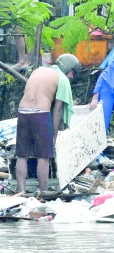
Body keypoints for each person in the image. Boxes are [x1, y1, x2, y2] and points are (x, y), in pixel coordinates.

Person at [15, 54, 79, 194]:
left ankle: (21, 191)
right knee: (43, 156)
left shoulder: (38, 70)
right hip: (40, 114)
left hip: (23, 111)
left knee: (22, 155)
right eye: (72, 72)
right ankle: (43, 191)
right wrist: (54, 135)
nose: (72, 77)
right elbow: (57, 110)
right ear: (67, 67)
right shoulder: (61, 79)